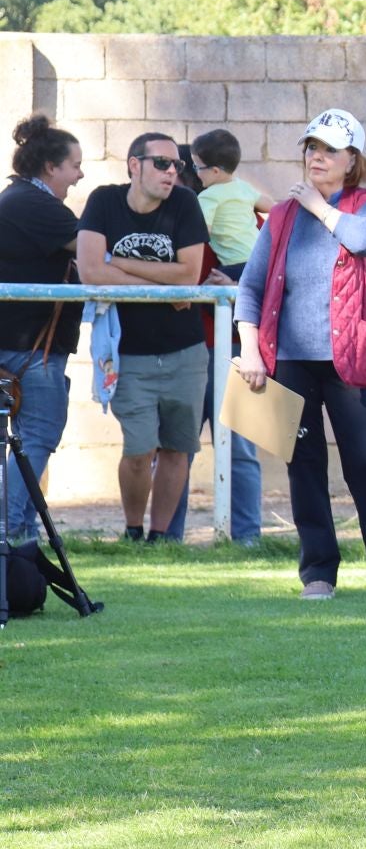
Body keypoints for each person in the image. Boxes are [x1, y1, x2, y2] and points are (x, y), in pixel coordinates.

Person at [233, 109, 366, 601]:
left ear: (351, 160)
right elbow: (250, 287)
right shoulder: (282, 215)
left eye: (329, 150)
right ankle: (318, 573)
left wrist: (318, 206)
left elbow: (363, 240)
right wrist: (250, 350)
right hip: (290, 360)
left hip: (351, 356)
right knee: (303, 464)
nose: (316, 157)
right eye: (312, 148)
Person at [75, 133, 210, 542]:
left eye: (177, 165)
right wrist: (162, 289)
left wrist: (119, 262)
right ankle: (133, 531)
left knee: (177, 448)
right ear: (135, 165)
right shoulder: (104, 201)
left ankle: (160, 538)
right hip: (128, 353)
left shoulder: (184, 203)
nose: (172, 172)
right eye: (161, 164)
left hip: (185, 350)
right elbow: (90, 272)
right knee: (138, 449)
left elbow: (189, 275)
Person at [163, 129, 269, 543]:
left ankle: (247, 537)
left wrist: (237, 280)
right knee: (177, 447)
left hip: (234, 347)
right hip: (186, 347)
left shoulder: (236, 210)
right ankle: (166, 537)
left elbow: (267, 266)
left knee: (240, 447)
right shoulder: (174, 223)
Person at [0, 116, 85, 543]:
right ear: (51, 167)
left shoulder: (21, 200)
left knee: (30, 439)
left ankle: (18, 530)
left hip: (28, 347)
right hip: (30, 351)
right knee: (38, 436)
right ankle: (12, 528)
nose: (80, 174)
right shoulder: (32, 204)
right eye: (74, 165)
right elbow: (92, 249)